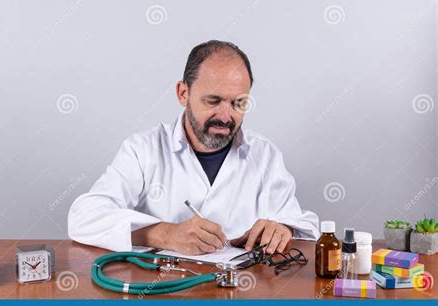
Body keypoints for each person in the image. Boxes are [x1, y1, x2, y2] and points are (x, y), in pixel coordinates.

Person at [68, 40, 319, 255]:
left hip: (243, 295)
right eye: (213, 100)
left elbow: (305, 227)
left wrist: (284, 229)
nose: (225, 115)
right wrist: (165, 234)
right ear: (183, 93)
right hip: (162, 293)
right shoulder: (142, 149)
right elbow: (84, 218)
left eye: (238, 103)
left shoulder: (265, 156)